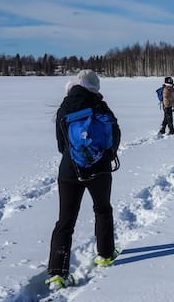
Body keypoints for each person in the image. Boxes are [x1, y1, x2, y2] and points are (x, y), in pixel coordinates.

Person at [46, 69, 121, 289]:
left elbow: (61, 145)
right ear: (95, 86)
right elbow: (114, 136)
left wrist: (76, 156)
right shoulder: (100, 106)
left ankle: (57, 273)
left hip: (69, 171)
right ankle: (106, 254)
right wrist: (103, 156)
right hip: (100, 170)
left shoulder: (64, 108)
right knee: (103, 209)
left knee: (65, 220)